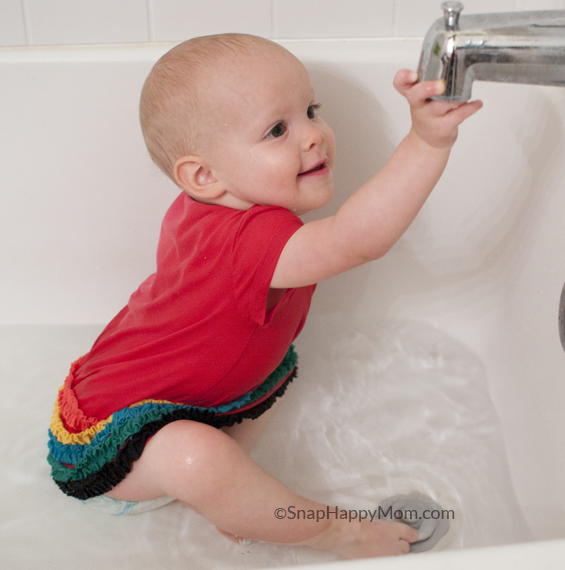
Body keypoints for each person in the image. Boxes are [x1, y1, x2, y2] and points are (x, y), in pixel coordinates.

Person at [47, 33, 482, 559]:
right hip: (110, 440)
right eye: (278, 129)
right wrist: (427, 142)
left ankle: (239, 500)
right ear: (204, 175)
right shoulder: (247, 243)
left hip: (190, 395)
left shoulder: (212, 209)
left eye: (311, 110)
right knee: (197, 460)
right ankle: (325, 530)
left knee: (272, 377)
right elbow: (358, 240)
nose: (314, 135)